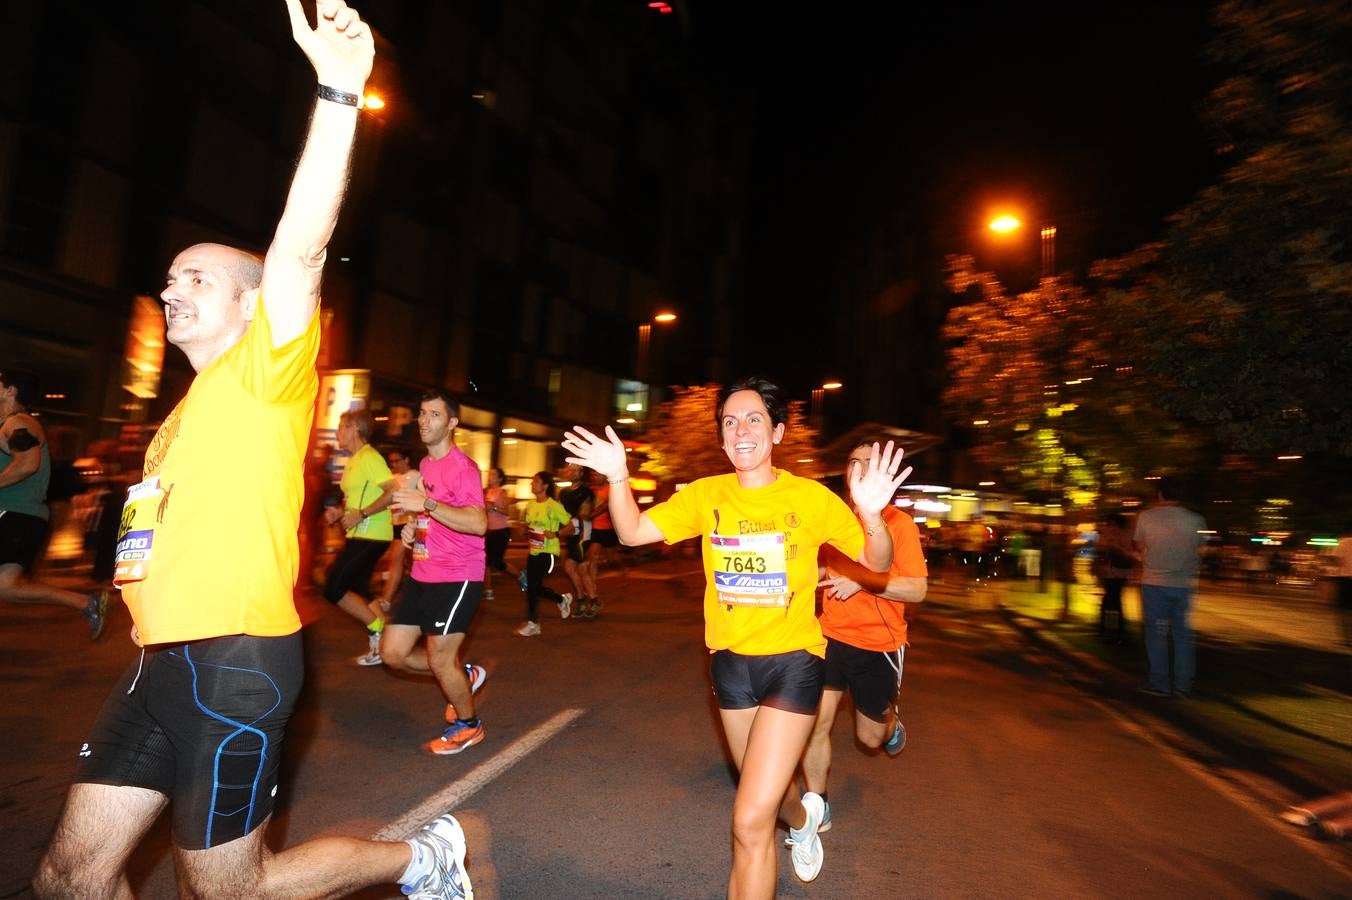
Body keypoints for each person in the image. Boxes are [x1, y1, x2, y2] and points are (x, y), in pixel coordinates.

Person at [34, 5, 472, 897]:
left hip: (235, 664)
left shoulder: (266, 371)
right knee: (68, 881)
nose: (171, 288)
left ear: (247, 304)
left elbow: (303, 245)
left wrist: (340, 90)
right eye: (169, 278)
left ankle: (425, 856)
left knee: (235, 888)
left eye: (197, 278)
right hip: (157, 661)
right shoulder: (179, 414)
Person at [563, 376, 910, 899]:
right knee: (768, 798)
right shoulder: (706, 495)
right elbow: (633, 532)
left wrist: (870, 515)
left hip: (794, 663)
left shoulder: (809, 498)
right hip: (729, 666)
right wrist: (617, 476)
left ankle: (790, 826)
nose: (740, 429)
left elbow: (876, 564)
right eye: (729, 421)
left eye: (753, 419)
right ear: (722, 438)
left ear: (777, 432)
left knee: (748, 820)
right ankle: (802, 823)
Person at [798, 441, 928, 836]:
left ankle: (892, 727)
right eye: (854, 463)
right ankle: (817, 805)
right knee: (812, 723)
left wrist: (863, 582)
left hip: (880, 645)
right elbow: (818, 572)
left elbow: (917, 591)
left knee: (870, 738)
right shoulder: (833, 520)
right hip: (830, 636)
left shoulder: (899, 525)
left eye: (869, 464)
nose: (860, 469)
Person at [381, 390, 490, 755]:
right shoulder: (427, 466)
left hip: (458, 576)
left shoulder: (464, 468)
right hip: (424, 572)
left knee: (440, 658)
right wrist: (416, 527)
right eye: (422, 413)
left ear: (452, 423)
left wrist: (426, 503)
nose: (424, 421)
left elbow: (477, 523)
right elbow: (432, 514)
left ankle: (469, 725)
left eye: (434, 415)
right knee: (392, 653)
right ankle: (465, 676)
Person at [0, 367, 109, 639]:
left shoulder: (17, 423)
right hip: (27, 518)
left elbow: (28, 462)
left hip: (13, 516)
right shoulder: (13, 424)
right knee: (5, 587)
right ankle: (87, 603)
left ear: (10, 390)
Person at [324, 409, 396, 666]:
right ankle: (385, 643)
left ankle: (379, 628)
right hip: (359, 533)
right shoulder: (354, 460)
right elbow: (356, 500)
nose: (338, 432)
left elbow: (392, 491)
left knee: (333, 588)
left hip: (373, 534)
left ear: (356, 429)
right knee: (358, 591)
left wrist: (362, 513)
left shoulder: (369, 457)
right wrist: (340, 513)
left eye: (343, 426)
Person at [1133, 476, 1206, 698]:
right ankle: (1183, 686)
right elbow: (1200, 548)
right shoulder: (1196, 520)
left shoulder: (1146, 517)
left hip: (1154, 582)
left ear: (1160, 494)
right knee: (1182, 636)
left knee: (1156, 635)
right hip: (1183, 584)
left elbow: (1138, 545)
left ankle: (1159, 683)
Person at [514, 470, 574, 635]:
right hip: (533, 551)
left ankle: (532, 624)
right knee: (534, 586)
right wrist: (523, 530)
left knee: (532, 585)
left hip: (549, 552)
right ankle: (562, 599)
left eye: (535, 481)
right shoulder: (531, 505)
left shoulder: (554, 506)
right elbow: (528, 527)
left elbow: (571, 528)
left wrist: (555, 534)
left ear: (545, 485)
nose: (531, 484)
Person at [558, 463, 596, 617]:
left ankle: (590, 600)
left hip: (582, 534)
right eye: (568, 469)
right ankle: (585, 598)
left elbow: (584, 514)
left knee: (578, 567)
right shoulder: (563, 493)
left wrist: (566, 526)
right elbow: (559, 513)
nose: (570, 472)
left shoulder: (586, 492)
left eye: (574, 469)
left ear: (581, 472)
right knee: (570, 568)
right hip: (570, 533)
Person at [1096, 512, 1134, 644]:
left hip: (1111, 572)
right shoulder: (1130, 533)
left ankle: (1108, 630)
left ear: (1113, 522)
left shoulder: (1108, 532)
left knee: (1109, 602)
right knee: (1116, 600)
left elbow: (1100, 547)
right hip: (1125, 572)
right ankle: (1118, 630)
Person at [482, 465, 514, 600]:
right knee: (486, 562)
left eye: (493, 474)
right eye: (490, 474)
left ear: (500, 479)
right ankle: (488, 590)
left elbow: (506, 512)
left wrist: (493, 507)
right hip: (489, 530)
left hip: (501, 531)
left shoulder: (501, 492)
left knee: (498, 563)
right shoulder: (486, 492)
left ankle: (523, 577)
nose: (490, 476)